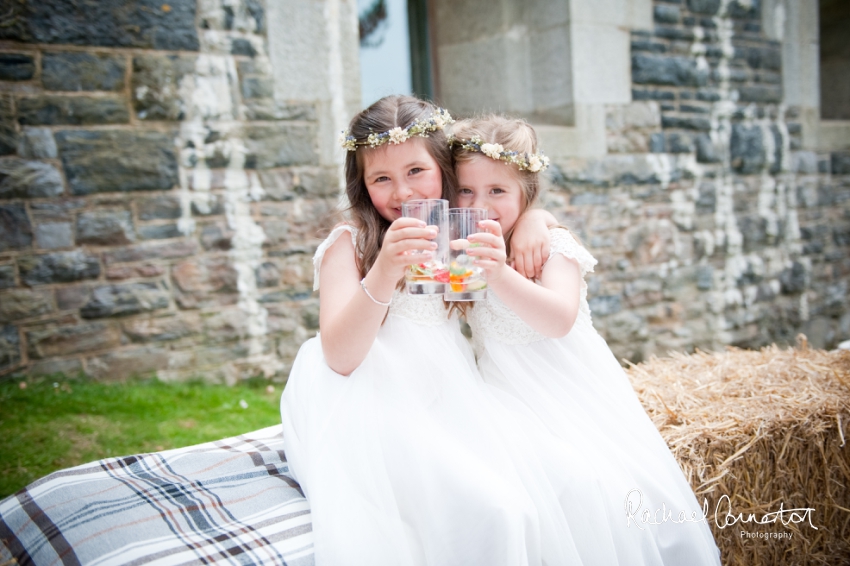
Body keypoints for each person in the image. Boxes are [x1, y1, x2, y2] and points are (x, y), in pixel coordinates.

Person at [280, 96, 581, 566]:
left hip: (444, 389)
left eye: (417, 171)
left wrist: (536, 222)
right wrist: (384, 268)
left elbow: (514, 206)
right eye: (381, 178)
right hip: (365, 393)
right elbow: (339, 357)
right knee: (496, 512)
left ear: (444, 168)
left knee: (535, 498)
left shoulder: (454, 229)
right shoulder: (352, 242)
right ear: (361, 185)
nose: (402, 193)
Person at [451, 115, 723, 565]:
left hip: (570, 397)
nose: (480, 204)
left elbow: (558, 318)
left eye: (497, 191)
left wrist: (503, 266)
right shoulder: (464, 244)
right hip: (505, 396)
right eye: (466, 191)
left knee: (590, 489)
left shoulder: (551, 246)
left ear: (527, 193)